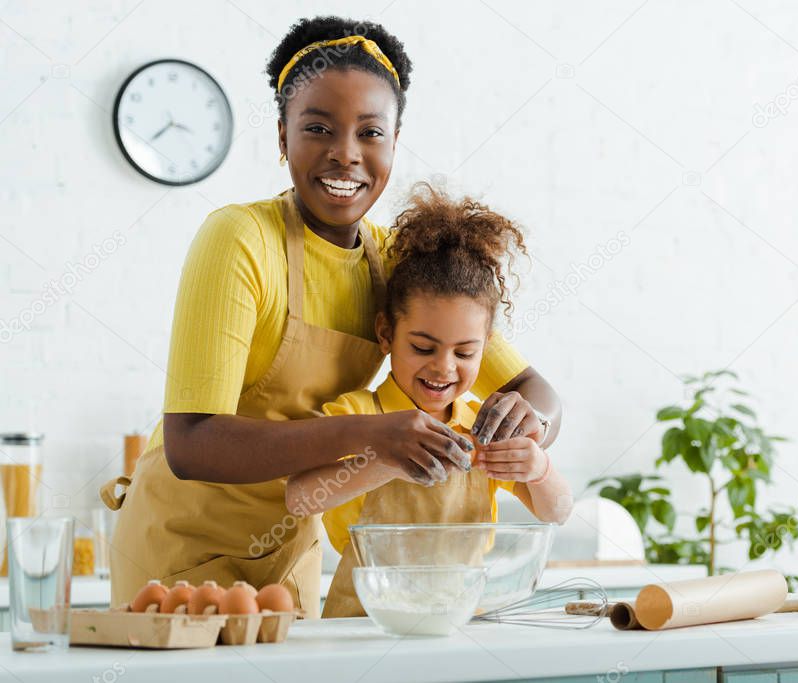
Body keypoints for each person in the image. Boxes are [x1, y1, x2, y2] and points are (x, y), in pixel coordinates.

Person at [101, 17, 561, 612]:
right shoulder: (239, 239)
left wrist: (526, 431)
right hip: (180, 549)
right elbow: (193, 444)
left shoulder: (395, 261)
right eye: (318, 128)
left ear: (395, 141)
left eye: (371, 133)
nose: (346, 155)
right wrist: (373, 435)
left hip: (289, 554)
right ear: (282, 136)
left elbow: (538, 393)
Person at [285, 184, 572, 617]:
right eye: (423, 348)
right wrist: (388, 459)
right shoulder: (356, 414)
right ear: (386, 334)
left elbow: (558, 512)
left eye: (464, 353)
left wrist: (538, 467)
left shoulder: (482, 428)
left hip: (461, 619)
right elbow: (300, 499)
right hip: (364, 621)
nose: (443, 368)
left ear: (486, 347)